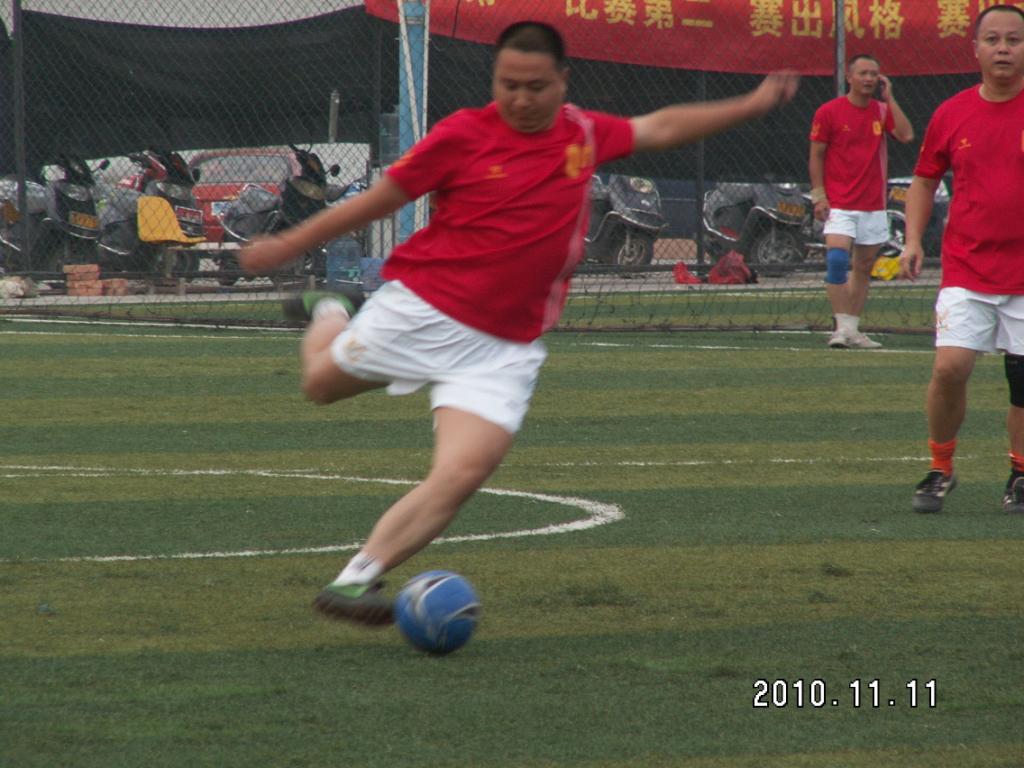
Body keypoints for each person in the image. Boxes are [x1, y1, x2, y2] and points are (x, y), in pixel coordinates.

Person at [239, 21, 800, 626]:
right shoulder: (462, 135)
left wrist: (752, 103)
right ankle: (332, 308)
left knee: (462, 473)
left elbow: (659, 128)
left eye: (536, 86)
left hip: (502, 348)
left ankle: (355, 580)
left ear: (563, 82)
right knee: (319, 386)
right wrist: (288, 243)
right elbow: (380, 201)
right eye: (508, 85)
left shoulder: (582, 134)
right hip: (425, 310)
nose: (521, 99)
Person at [899, 4, 1024, 515]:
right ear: (975, 49)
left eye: (1014, 39)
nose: (1003, 48)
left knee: (1022, 381)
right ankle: (940, 468)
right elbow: (924, 180)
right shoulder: (952, 113)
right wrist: (912, 240)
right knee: (950, 368)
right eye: (992, 39)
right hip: (967, 267)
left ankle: (1020, 474)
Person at [809, 54, 914, 349]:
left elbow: (906, 135)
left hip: (873, 204)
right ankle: (841, 329)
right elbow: (816, 155)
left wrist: (890, 98)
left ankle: (851, 330)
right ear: (849, 77)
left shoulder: (881, 111)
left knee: (863, 267)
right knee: (837, 260)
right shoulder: (829, 112)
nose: (868, 79)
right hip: (839, 203)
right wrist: (819, 196)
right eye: (863, 73)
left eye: (874, 74)